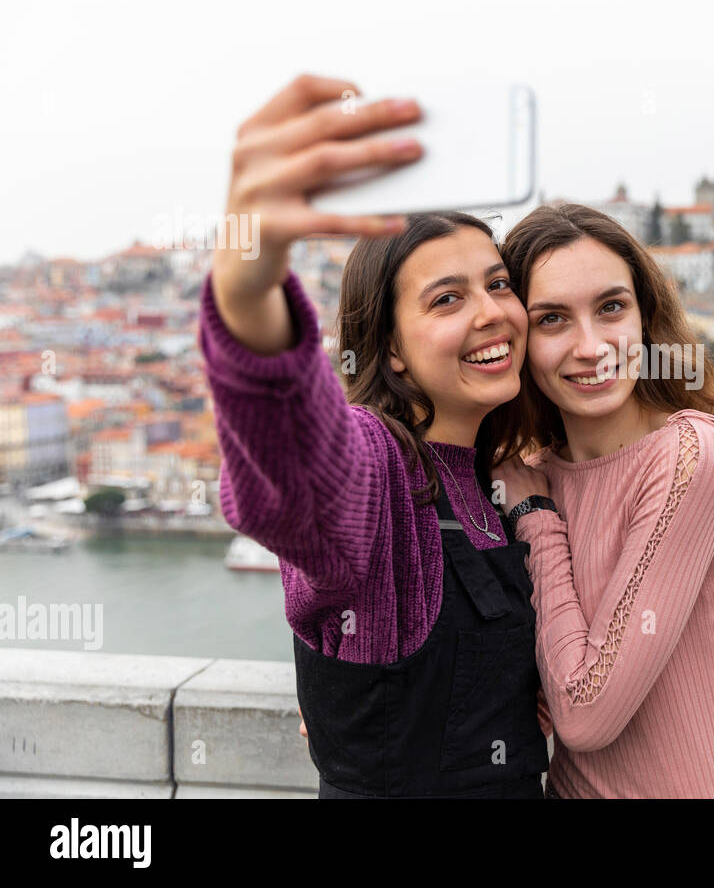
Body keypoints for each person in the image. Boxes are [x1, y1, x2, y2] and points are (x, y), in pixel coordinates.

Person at [200, 74, 548, 798]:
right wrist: (244, 288)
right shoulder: (383, 469)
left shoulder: (490, 476)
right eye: (448, 298)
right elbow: (299, 469)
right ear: (389, 349)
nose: (491, 312)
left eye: (498, 284)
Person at [492, 204, 714, 798]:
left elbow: (585, 714)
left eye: (611, 308)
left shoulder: (691, 456)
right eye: (553, 319)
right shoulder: (528, 477)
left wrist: (538, 525)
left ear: (646, 317)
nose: (592, 347)